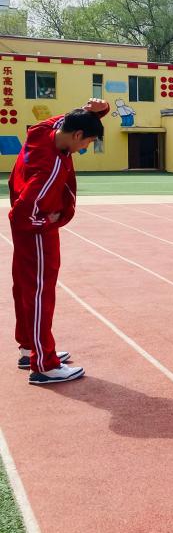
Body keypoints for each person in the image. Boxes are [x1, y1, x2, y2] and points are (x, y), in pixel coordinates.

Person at [11, 99, 109, 384]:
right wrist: (47, 222)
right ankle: (44, 364)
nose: (85, 148)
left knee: (25, 288)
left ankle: (29, 348)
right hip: (37, 233)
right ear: (77, 135)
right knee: (40, 294)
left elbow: (68, 118)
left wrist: (96, 111)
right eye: (87, 142)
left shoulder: (42, 131)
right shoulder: (49, 169)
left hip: (28, 234)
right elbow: (20, 216)